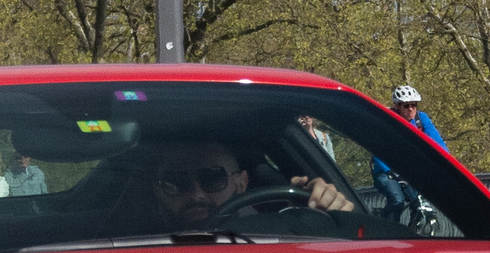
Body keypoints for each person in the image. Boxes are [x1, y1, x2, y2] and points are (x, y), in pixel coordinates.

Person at [147, 137, 355, 230]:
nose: (196, 194)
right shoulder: (123, 244)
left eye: (212, 178)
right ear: (158, 190)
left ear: (241, 183)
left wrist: (325, 211)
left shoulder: (278, 234)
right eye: (176, 182)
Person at [373, 84, 447, 219]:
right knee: (397, 201)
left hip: (408, 172)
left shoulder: (421, 119)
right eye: (406, 106)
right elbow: (378, 151)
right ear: (397, 106)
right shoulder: (387, 120)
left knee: (419, 203)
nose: (411, 109)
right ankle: (385, 228)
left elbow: (438, 143)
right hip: (386, 172)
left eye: (414, 105)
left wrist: (447, 162)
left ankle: (415, 234)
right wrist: (390, 171)